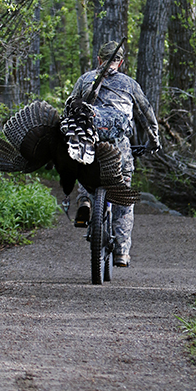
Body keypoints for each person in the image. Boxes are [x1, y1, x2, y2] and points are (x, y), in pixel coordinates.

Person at [70, 40, 160, 267]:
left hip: (90, 142)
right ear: (120, 62)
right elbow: (146, 114)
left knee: (84, 170)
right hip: (119, 148)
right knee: (124, 197)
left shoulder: (85, 80)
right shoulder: (129, 84)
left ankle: (84, 202)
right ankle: (121, 251)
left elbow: (70, 108)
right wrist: (154, 140)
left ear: (99, 59)